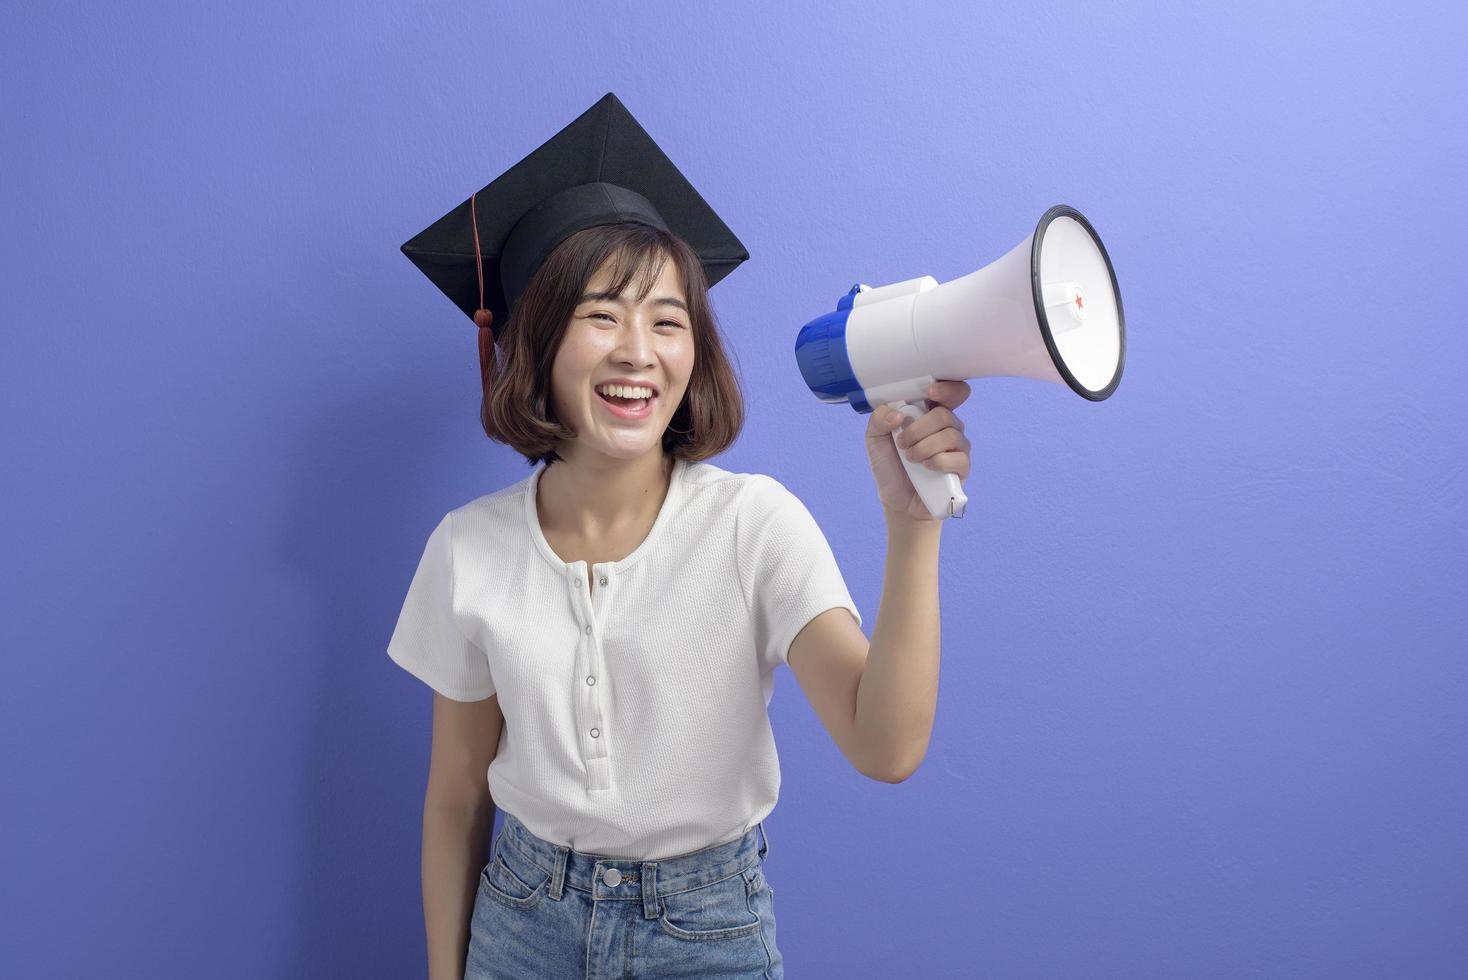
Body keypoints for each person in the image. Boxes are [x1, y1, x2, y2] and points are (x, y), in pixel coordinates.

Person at [388, 93, 970, 980]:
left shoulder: (753, 525)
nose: (638, 350)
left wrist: (911, 525)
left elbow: (886, 748)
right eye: (599, 315)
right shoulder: (469, 550)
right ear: (535, 343)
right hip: (521, 925)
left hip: (708, 934)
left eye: (667, 319)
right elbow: (456, 797)